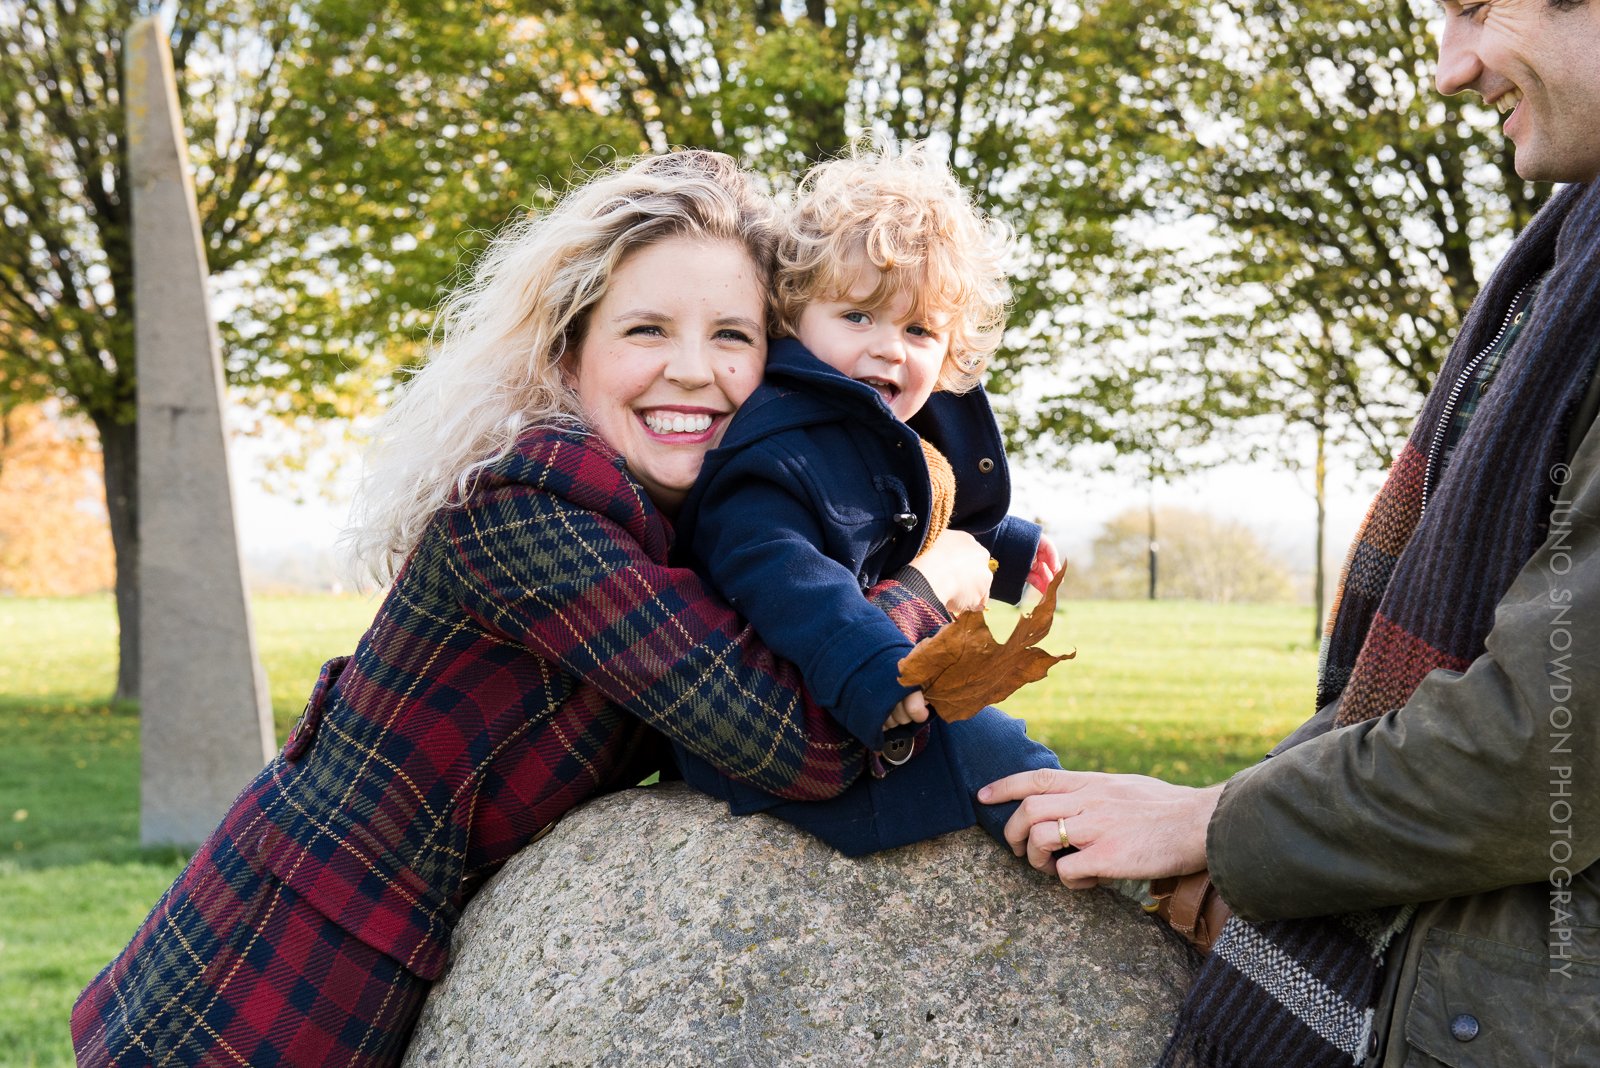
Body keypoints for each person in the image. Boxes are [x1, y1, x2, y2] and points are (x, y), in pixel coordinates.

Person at [71, 151, 984, 1067]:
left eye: (733, 337)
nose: (694, 372)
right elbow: (801, 740)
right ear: (567, 353)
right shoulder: (529, 518)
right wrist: (926, 587)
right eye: (646, 330)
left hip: (371, 973)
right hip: (257, 981)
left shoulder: (683, 532)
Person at [984, 2, 1600, 1065]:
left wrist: (1222, 825)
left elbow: (1549, 743)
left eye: (1472, 8)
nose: (1450, 71)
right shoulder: (1566, 262)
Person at [672, 143, 1064, 855]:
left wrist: (1006, 549)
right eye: (858, 317)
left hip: (862, 676)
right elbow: (785, 576)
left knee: (990, 730)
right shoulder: (777, 447)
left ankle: (1072, 826)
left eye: (919, 330)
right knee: (994, 750)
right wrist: (869, 668)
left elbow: (901, 526)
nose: (890, 348)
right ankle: (1060, 837)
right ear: (794, 316)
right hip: (787, 713)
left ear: (951, 354)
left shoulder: (873, 437)